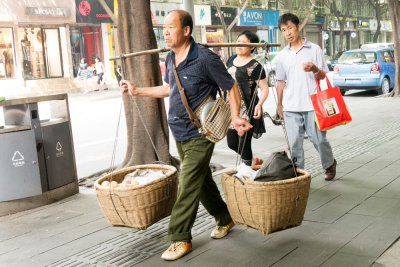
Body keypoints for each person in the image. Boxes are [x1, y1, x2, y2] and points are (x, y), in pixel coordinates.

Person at [120, 9, 252, 261]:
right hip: (179, 132)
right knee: (200, 181)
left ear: (186, 30)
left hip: (202, 132)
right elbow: (170, 89)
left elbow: (231, 86)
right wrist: (138, 91)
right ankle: (224, 218)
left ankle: (180, 237)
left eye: (171, 27)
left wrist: (235, 116)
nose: (166, 32)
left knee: (187, 183)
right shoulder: (170, 58)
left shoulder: (205, 58)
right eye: (165, 27)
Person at [275, 13, 337, 181]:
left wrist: (315, 69)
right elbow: (280, 81)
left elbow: (323, 75)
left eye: (290, 28)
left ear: (298, 27)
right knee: (295, 144)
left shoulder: (314, 49)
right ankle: (299, 176)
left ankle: (329, 163)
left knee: (318, 139)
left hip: (312, 104)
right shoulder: (281, 56)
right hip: (291, 107)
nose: (287, 33)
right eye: (283, 30)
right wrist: (279, 104)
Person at [226, 30, 269, 166]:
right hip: (231, 107)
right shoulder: (231, 60)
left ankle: (247, 173)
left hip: (247, 108)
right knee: (231, 142)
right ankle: (253, 161)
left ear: (252, 47)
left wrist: (259, 104)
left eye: (244, 43)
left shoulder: (255, 66)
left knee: (244, 143)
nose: (239, 45)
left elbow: (264, 88)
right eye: (238, 41)